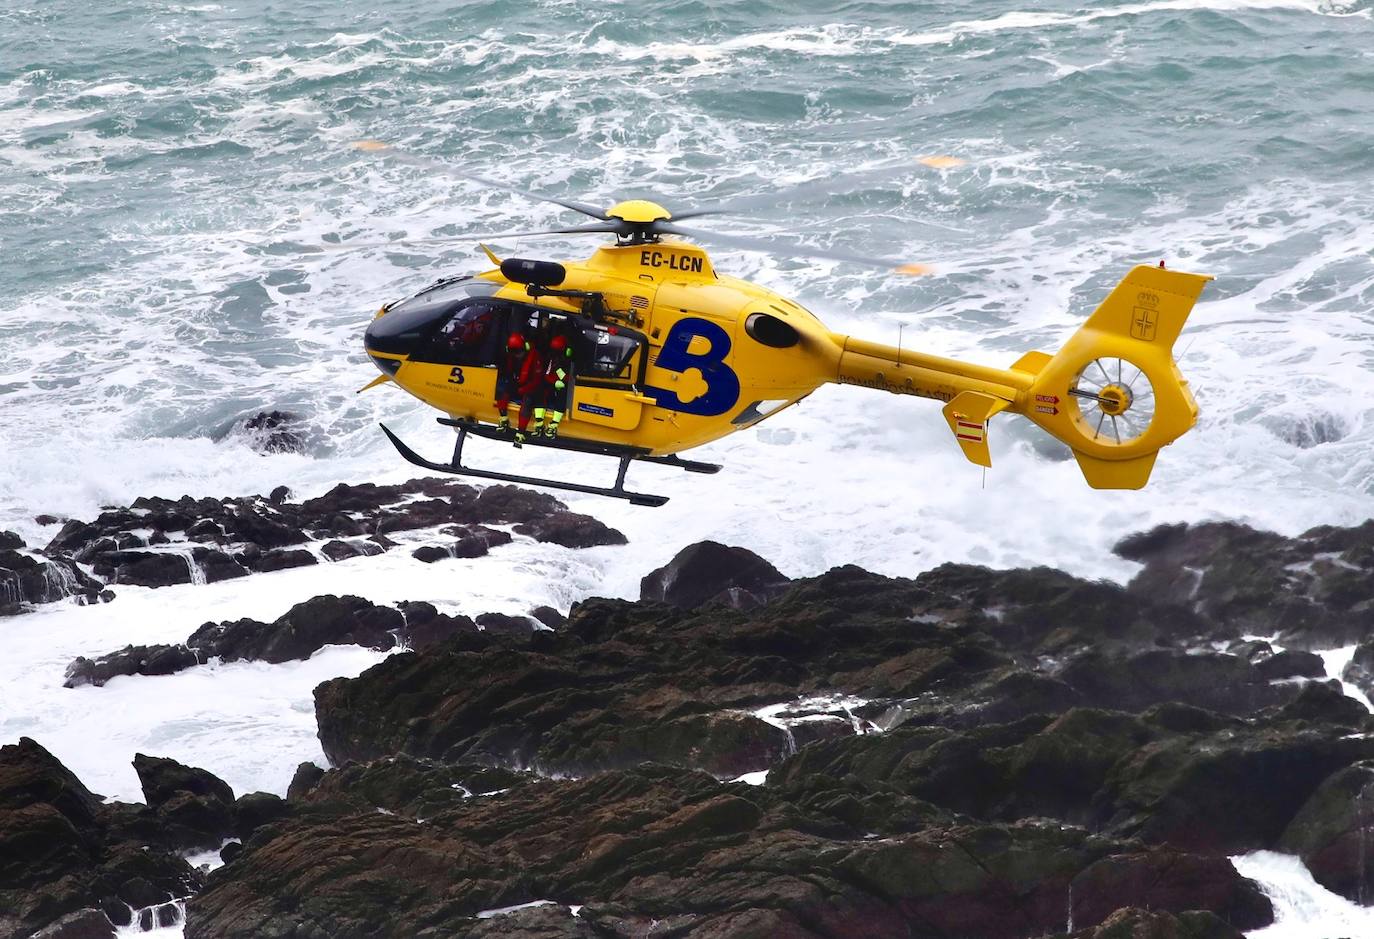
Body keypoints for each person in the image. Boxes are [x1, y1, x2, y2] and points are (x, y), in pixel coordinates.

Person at [495, 332, 543, 443]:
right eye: (514, 352)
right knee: (502, 391)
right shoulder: (512, 357)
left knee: (528, 402)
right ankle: (503, 419)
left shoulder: (535, 356)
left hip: (531, 386)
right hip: (518, 383)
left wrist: (524, 389)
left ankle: (521, 432)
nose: (516, 355)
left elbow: (537, 379)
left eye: (518, 352)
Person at [537, 333, 574, 438]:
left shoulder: (570, 361)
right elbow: (547, 374)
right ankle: (539, 421)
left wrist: (560, 375)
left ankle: (554, 423)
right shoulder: (552, 360)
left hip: (565, 386)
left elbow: (569, 378)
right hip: (553, 384)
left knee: (562, 396)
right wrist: (555, 382)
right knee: (542, 390)